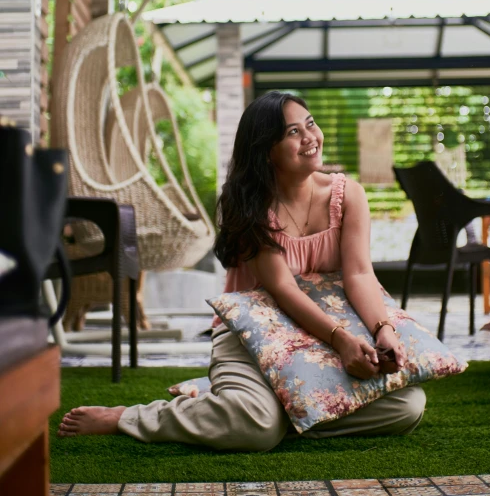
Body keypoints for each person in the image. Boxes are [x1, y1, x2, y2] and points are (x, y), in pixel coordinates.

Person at [58, 91, 425, 449]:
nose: (310, 138)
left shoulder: (349, 195)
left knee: (407, 407)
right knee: (258, 427)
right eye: (292, 133)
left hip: (324, 335)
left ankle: (269, 412)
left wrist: (383, 330)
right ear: (266, 152)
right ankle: (131, 417)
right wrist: (343, 341)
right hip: (252, 335)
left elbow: (359, 274)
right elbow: (284, 290)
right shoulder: (248, 206)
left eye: (309, 124)